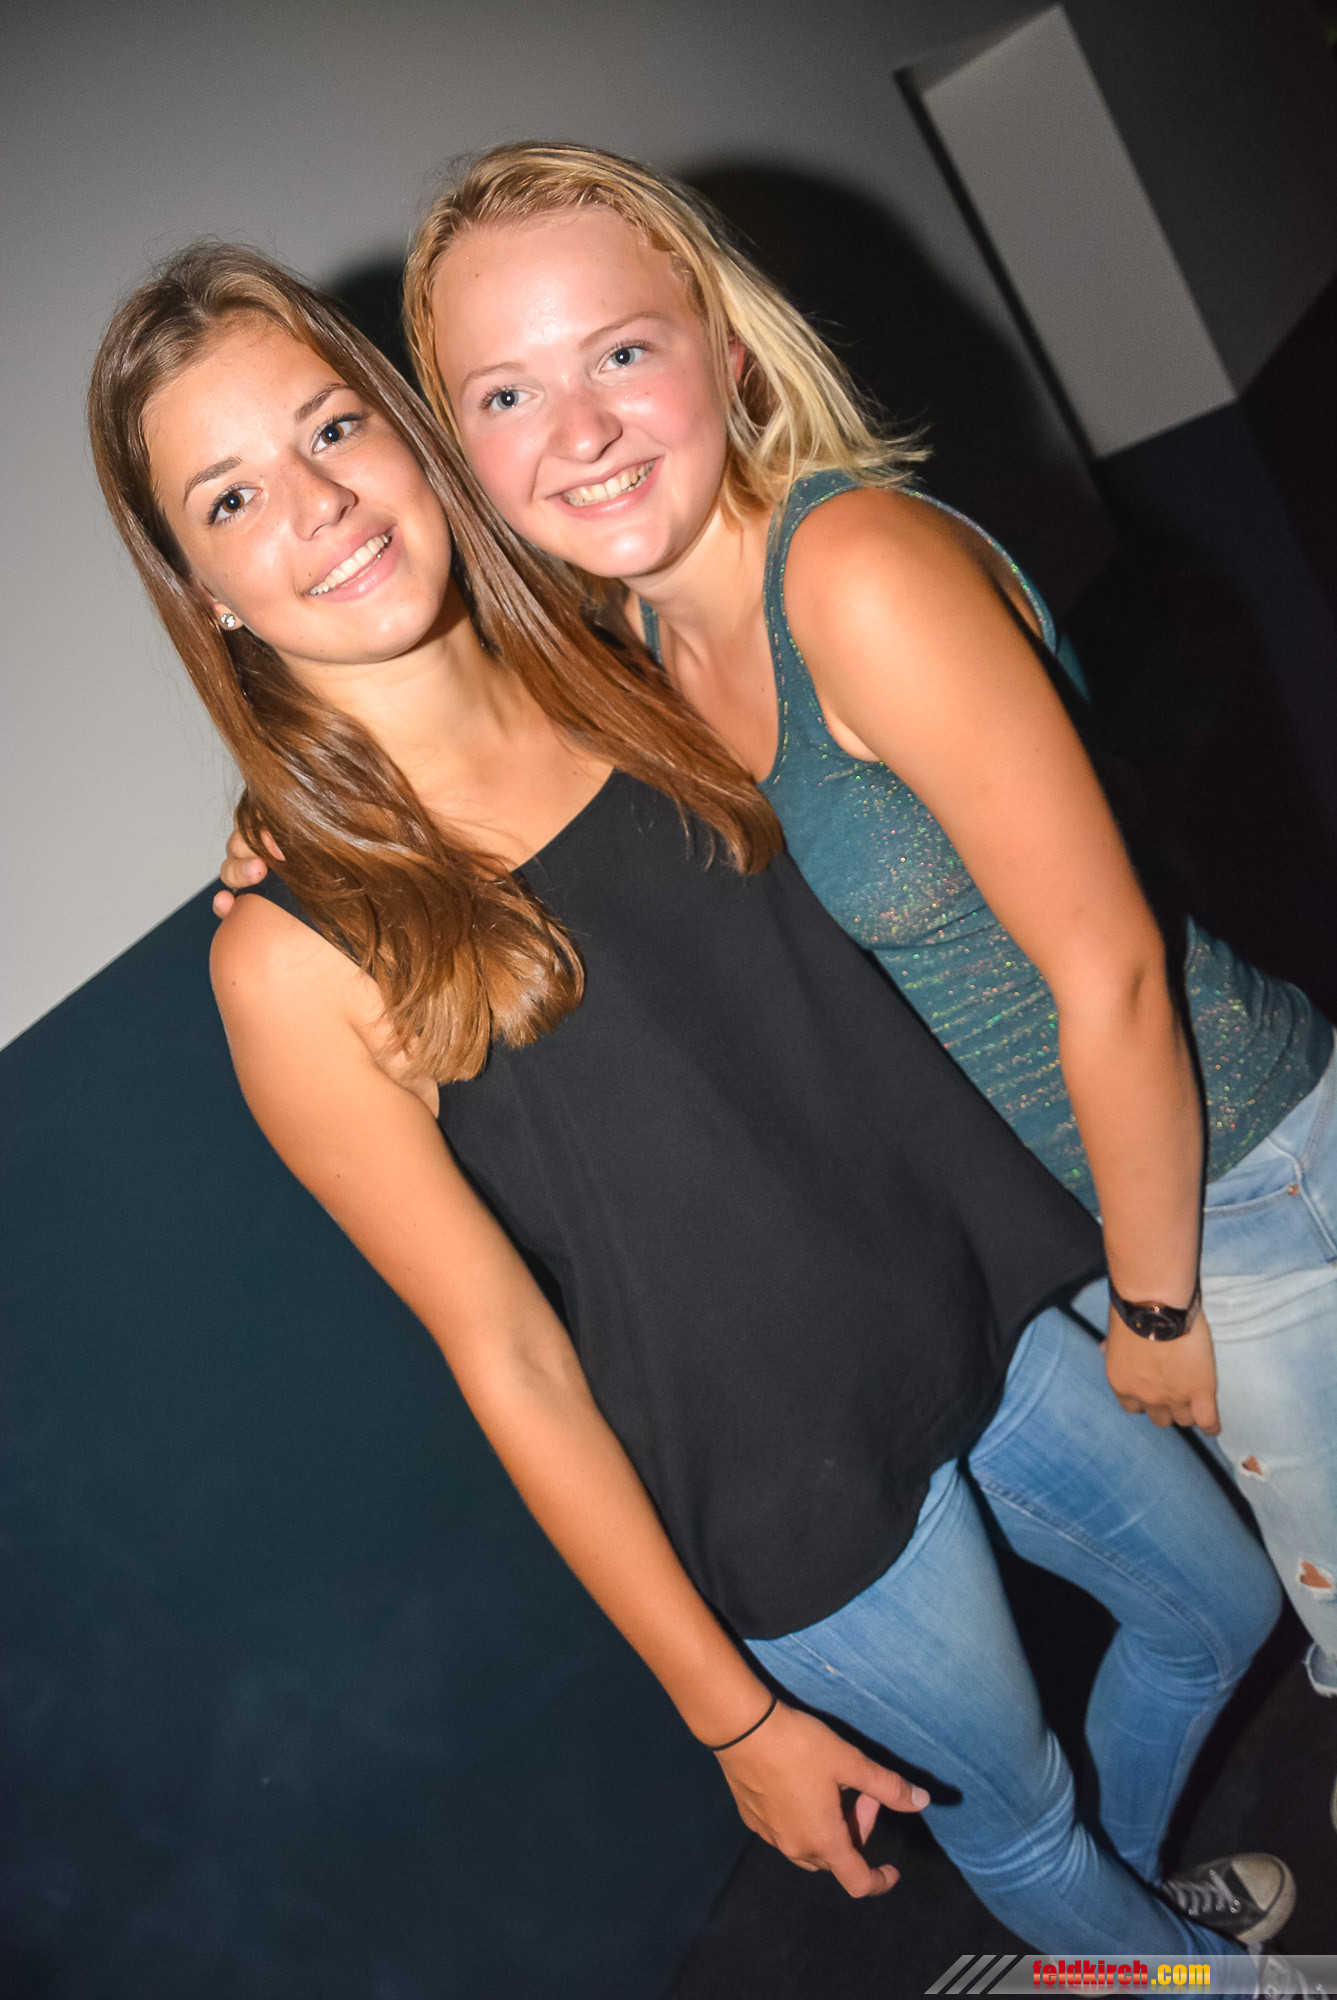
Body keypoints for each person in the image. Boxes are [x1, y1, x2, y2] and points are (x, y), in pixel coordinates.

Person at [91, 242, 1290, 1959]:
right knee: (1016, 1807)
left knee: (1220, 1606)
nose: (318, 504)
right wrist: (725, 1714)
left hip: (965, 1299)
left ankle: (1118, 1939)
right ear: (201, 587)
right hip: (773, 1477)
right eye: (230, 497)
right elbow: (504, 1355)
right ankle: (1144, 1962)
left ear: (413, 437)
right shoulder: (290, 952)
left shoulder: (620, 662)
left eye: (333, 428)